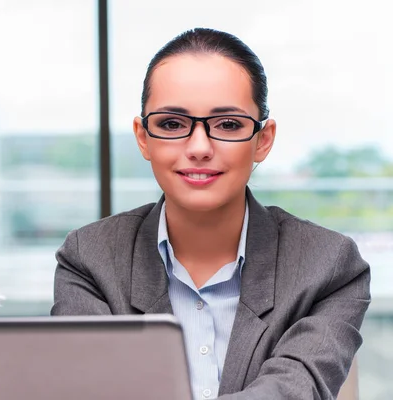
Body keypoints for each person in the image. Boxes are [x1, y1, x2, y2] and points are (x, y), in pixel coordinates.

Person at [51, 27, 370, 399]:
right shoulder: (88, 258)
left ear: (262, 140)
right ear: (143, 137)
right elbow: (94, 389)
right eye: (172, 124)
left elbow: (290, 390)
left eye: (228, 125)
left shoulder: (329, 265)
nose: (199, 147)